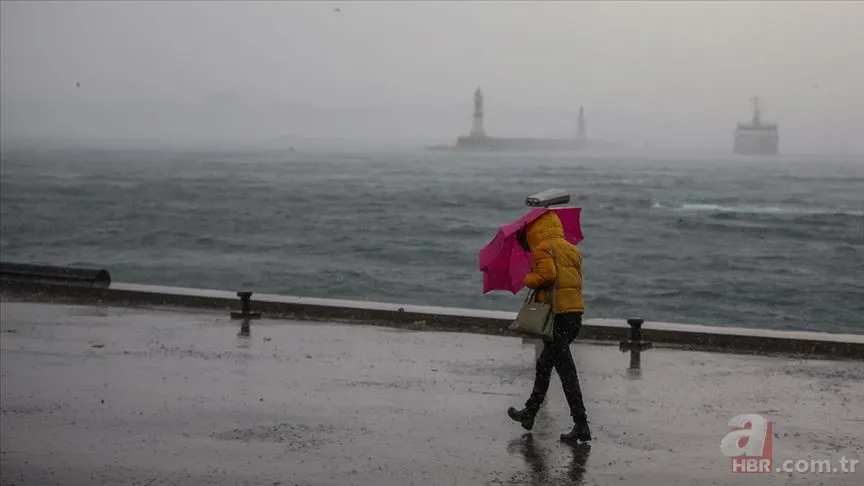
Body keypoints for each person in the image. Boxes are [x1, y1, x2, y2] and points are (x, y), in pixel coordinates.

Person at [508, 211, 591, 443]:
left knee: (550, 365)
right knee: (559, 369)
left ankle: (539, 414)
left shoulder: (542, 248)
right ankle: (534, 414)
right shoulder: (571, 249)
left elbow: (548, 275)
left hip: (557, 316)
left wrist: (529, 279)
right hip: (573, 315)